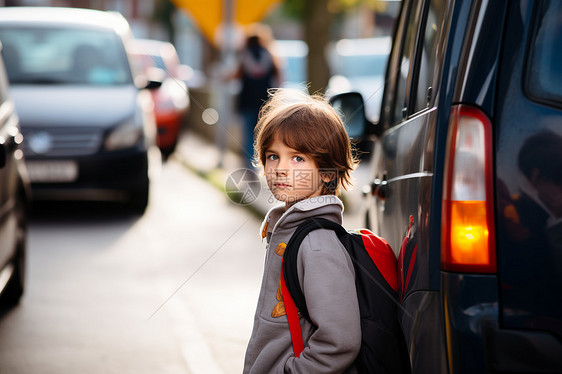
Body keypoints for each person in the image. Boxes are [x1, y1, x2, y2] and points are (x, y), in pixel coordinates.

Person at [243, 89, 361, 373]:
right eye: (272, 156)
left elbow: (340, 341)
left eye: (297, 158)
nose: (280, 168)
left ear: (328, 172)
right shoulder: (286, 229)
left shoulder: (316, 244)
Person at [235, 24, 281, 167]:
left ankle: (250, 167)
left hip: (247, 101)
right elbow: (278, 78)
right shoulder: (269, 55)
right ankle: (264, 165)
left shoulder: (244, 56)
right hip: (265, 101)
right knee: (264, 135)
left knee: (248, 136)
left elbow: (236, 75)